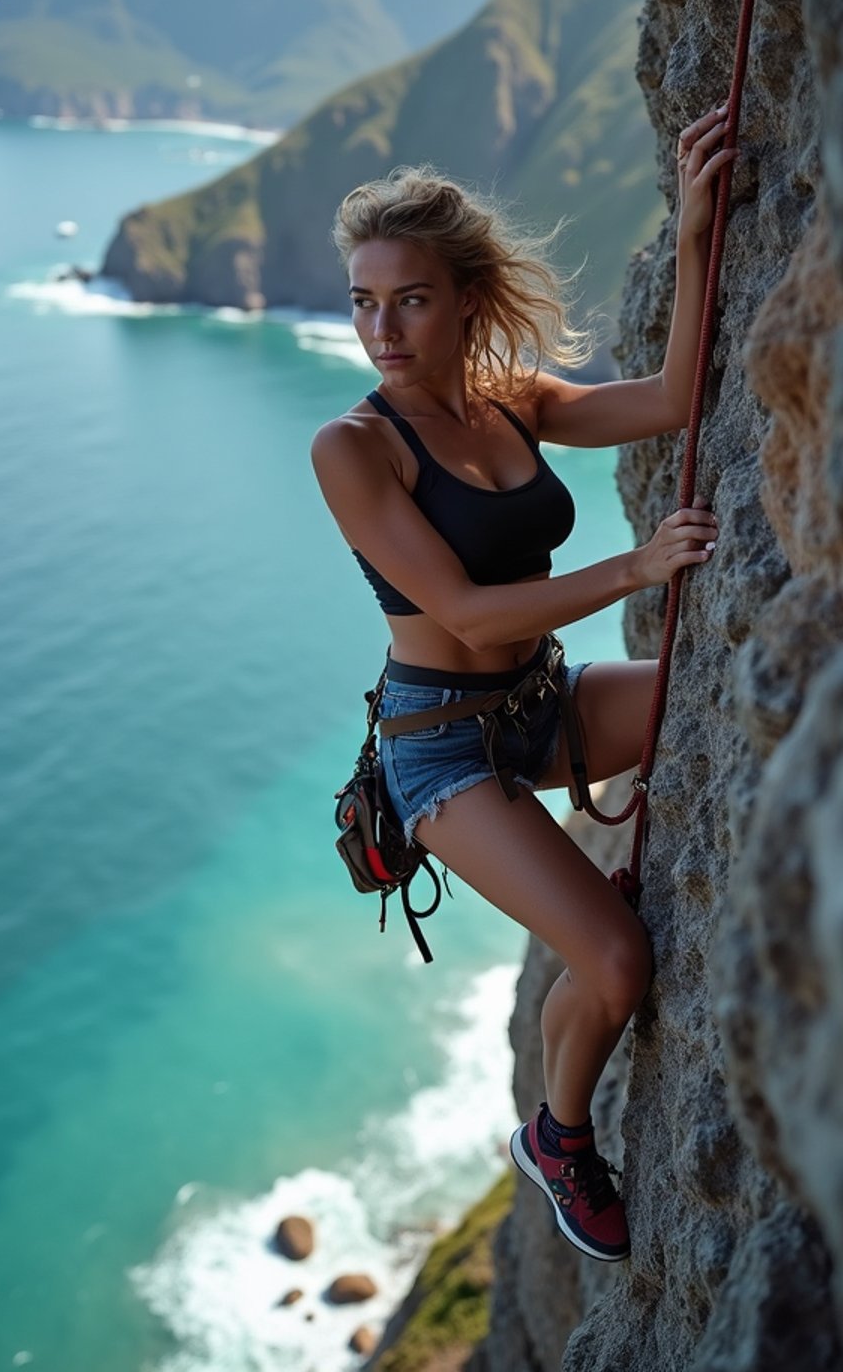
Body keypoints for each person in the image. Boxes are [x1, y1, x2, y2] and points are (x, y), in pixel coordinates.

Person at [310, 106, 734, 1263]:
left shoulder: (507, 394)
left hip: (538, 708)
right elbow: (464, 613)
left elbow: (670, 399)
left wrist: (697, 231)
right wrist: (632, 566)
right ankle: (556, 1136)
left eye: (406, 298)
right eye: (361, 300)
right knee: (614, 960)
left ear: (461, 298)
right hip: (443, 751)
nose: (381, 328)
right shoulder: (353, 447)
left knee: (720, 702)